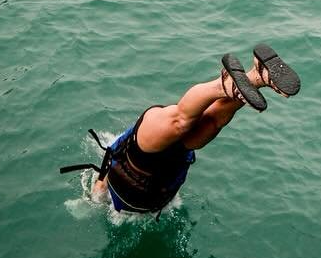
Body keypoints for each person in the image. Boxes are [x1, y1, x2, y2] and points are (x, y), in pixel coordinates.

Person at [60, 44, 300, 217]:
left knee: (211, 123)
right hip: (139, 161)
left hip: (154, 189)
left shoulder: (119, 201)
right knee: (180, 119)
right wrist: (101, 183)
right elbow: (104, 175)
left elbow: (101, 186)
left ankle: (258, 78)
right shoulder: (115, 168)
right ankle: (225, 84)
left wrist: (91, 199)